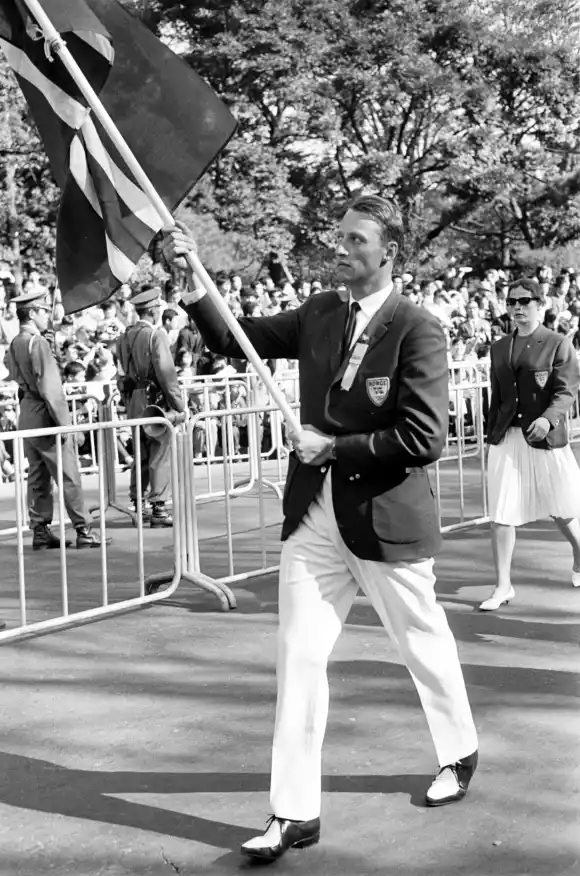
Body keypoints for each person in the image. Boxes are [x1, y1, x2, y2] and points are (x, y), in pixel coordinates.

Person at [163, 194, 478, 862]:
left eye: (356, 240)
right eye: (339, 237)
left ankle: (459, 751)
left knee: (423, 643)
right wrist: (195, 286)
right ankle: (292, 812)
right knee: (299, 658)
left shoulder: (418, 328)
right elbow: (232, 337)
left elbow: (424, 438)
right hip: (313, 517)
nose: (341, 248)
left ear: (388, 252)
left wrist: (335, 447)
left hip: (384, 518)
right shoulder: (318, 312)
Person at [481, 278, 580, 610]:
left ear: (542, 304)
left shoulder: (558, 343)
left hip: (545, 438)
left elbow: (566, 391)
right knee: (500, 513)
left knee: (563, 509)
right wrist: (491, 432)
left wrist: (548, 418)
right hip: (507, 437)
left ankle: (579, 556)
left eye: (524, 301)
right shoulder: (498, 348)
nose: (517, 307)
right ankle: (502, 585)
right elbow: (496, 396)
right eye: (511, 302)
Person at [6, 291, 108, 550]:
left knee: (38, 475)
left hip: (28, 411)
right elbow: (51, 388)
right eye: (42, 310)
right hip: (46, 414)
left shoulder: (17, 341)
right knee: (68, 474)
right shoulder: (36, 343)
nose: (46, 315)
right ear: (32, 313)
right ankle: (83, 529)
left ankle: (40, 530)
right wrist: (65, 424)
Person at [116, 286, 185, 526]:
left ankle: (139, 504)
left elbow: (121, 374)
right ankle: (158, 508)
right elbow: (167, 374)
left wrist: (128, 400)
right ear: (154, 310)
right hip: (154, 399)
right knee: (160, 451)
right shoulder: (156, 336)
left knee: (140, 453)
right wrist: (179, 405)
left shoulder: (123, 336)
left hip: (134, 399)